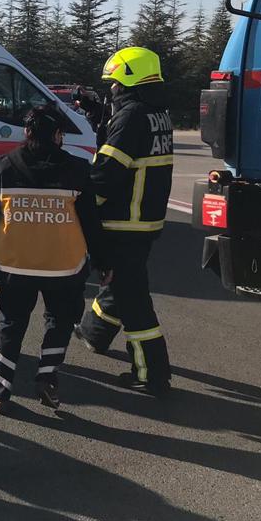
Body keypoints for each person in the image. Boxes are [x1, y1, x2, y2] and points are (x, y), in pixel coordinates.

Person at [0, 105, 110, 412]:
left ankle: (1, 390)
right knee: (59, 322)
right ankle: (47, 378)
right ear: (58, 135)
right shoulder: (77, 169)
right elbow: (91, 222)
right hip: (63, 266)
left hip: (14, 264)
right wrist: (103, 262)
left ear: (27, 133)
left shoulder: (5, 166)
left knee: (11, 324)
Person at [74, 47, 174, 396]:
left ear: (129, 79)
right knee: (119, 284)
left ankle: (151, 373)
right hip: (144, 218)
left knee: (133, 299)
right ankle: (94, 331)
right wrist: (98, 113)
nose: (112, 89)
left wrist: (83, 207)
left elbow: (107, 173)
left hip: (125, 220)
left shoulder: (131, 117)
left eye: (114, 82)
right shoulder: (156, 112)